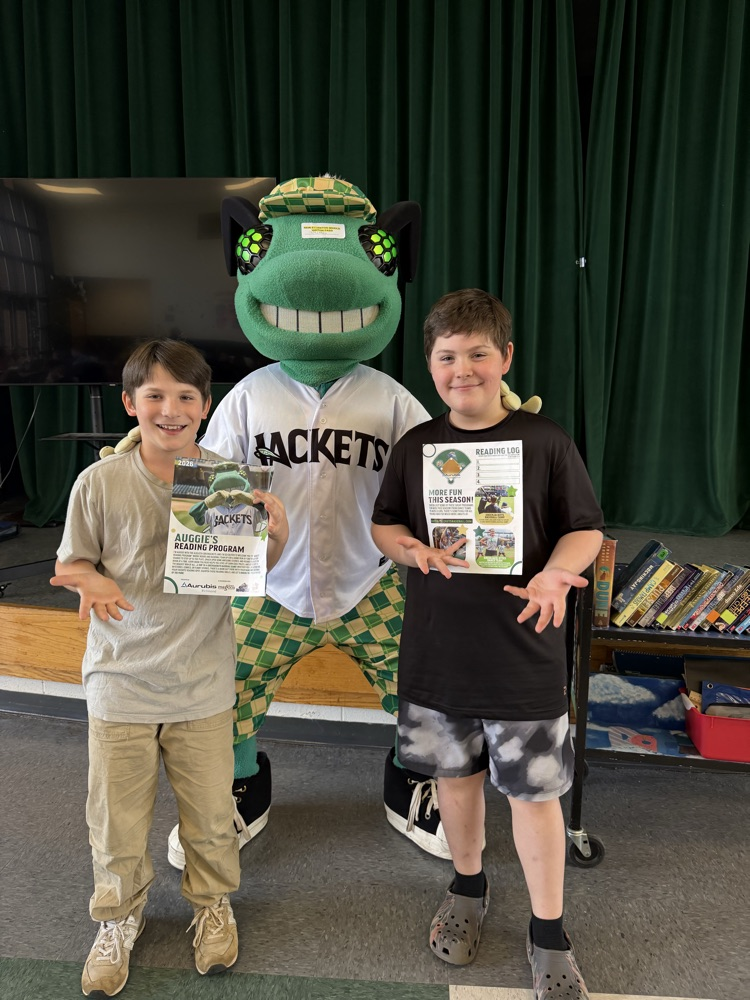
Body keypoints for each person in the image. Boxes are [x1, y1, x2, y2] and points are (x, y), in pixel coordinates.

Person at [371, 289, 603, 998]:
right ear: (430, 365)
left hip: (524, 660)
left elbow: (585, 527)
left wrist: (559, 574)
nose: (461, 368)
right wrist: (408, 549)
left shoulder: (547, 441)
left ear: (504, 358)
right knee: (455, 784)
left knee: (535, 798)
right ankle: (468, 886)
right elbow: (386, 524)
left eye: (477, 354)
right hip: (438, 659)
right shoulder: (417, 446)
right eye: (446, 356)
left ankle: (548, 930)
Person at [51, 340, 289, 998]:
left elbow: (257, 566)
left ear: (206, 407)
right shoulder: (97, 483)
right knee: (116, 820)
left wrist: (276, 529)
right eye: (154, 395)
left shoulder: (228, 483)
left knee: (211, 817)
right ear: (130, 404)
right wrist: (87, 582)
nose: (170, 408)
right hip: (119, 684)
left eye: (186, 396)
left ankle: (213, 907)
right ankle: (118, 918)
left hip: (202, 684)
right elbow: (72, 563)